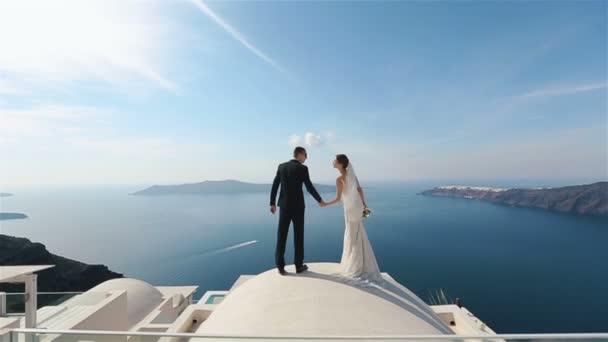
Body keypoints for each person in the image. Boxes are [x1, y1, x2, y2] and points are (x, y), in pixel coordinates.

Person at [323, 154, 382, 283]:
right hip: (357, 207)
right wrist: (365, 204)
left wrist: (325, 204)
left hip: (350, 210)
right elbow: (360, 190)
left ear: (340, 164)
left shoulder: (339, 179)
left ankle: (356, 265)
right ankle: (362, 264)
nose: (333, 162)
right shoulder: (352, 176)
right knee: (358, 234)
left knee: (352, 236)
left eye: (335, 160)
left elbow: (339, 199)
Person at [270, 146, 325, 275]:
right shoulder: (303, 168)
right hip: (298, 207)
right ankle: (298, 265)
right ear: (300, 154)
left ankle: (280, 266)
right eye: (306, 155)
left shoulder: (281, 166)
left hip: (284, 205)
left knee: (281, 235)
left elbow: (275, 184)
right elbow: (309, 187)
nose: (306, 157)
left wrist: (272, 203)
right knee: (298, 235)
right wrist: (320, 200)